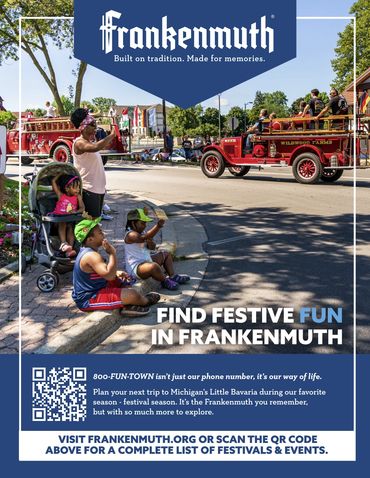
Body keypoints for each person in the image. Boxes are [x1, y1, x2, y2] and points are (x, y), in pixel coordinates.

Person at [72, 218, 160, 316]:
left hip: (99, 287)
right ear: (90, 239)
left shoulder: (87, 251)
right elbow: (109, 276)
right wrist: (112, 253)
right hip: (89, 298)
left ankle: (127, 305)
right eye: (100, 232)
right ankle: (145, 301)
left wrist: (116, 272)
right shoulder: (91, 256)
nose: (103, 233)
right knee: (132, 294)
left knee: (122, 281)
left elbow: (101, 271)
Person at [124, 208, 190, 291]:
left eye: (145, 223)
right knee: (153, 267)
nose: (145, 226)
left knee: (166, 254)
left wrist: (151, 243)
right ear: (133, 223)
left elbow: (152, 247)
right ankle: (165, 281)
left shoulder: (142, 232)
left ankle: (172, 276)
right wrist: (158, 226)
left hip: (147, 260)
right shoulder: (130, 234)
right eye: (142, 223)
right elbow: (142, 238)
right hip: (136, 268)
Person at [71, 108, 116, 218]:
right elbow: (96, 147)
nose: (95, 127)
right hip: (88, 190)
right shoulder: (79, 143)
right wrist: (112, 135)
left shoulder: (90, 141)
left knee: (94, 223)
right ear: (83, 127)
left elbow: (100, 145)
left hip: (98, 189)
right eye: (92, 124)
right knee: (91, 226)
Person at [51, 174, 85, 257]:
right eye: (75, 187)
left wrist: (76, 211)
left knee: (70, 228)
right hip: (57, 222)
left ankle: (70, 249)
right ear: (67, 188)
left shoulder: (78, 197)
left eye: (79, 187)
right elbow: (53, 182)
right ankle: (63, 243)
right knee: (63, 223)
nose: (78, 189)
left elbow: (82, 208)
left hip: (69, 220)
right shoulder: (61, 195)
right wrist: (60, 173)